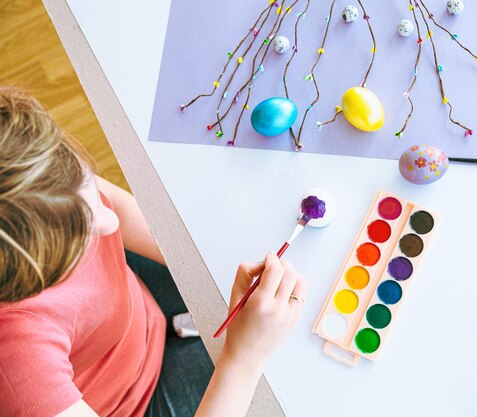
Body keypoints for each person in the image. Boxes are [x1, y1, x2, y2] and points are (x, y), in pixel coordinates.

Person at [0, 86, 309, 417]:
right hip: (136, 405)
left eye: (87, 181)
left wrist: (211, 260)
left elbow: (118, 211)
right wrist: (244, 360)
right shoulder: (18, 369)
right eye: (82, 229)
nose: (110, 221)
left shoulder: (37, 181)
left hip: (138, 319)